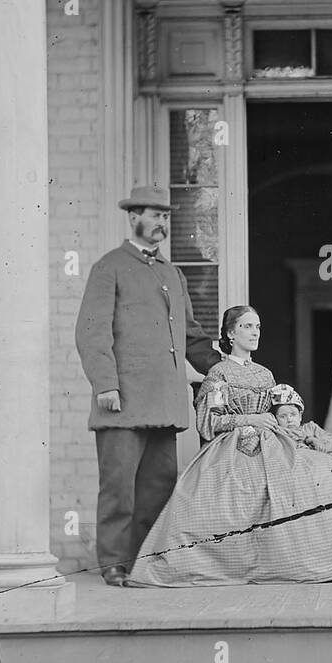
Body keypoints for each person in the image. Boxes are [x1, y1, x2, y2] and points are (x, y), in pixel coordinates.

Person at [129, 307, 332, 585]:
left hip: (275, 442)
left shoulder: (265, 374)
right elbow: (209, 422)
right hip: (232, 446)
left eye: (258, 327)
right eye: (247, 326)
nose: (254, 333)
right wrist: (250, 419)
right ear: (230, 333)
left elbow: (283, 414)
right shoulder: (219, 373)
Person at [74, 184, 220, 586]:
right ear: (133, 217)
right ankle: (115, 563)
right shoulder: (110, 266)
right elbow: (92, 331)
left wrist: (225, 368)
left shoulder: (171, 273)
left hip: (165, 402)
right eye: (155, 215)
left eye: (167, 216)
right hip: (121, 402)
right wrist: (105, 383)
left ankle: (146, 562)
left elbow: (191, 335)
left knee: (158, 489)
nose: (162, 223)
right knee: (119, 490)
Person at [270, 384, 332, 453]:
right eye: (283, 416)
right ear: (275, 419)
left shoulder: (311, 428)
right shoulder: (277, 434)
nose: (289, 420)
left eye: (293, 414)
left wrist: (315, 441)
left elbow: (330, 441)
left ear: (300, 416)